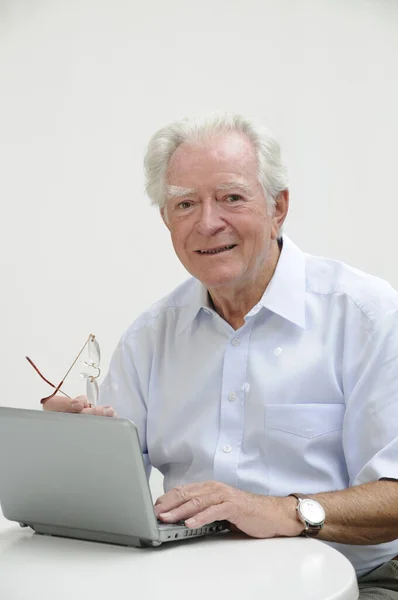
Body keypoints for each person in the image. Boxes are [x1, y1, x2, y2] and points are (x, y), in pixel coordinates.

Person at [45, 114, 398, 598]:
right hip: (186, 585)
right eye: (185, 204)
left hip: (352, 583)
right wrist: (72, 451)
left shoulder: (368, 316)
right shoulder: (149, 337)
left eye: (231, 197)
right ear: (167, 221)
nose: (208, 223)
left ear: (279, 207)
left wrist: (284, 511)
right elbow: (107, 502)